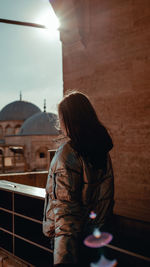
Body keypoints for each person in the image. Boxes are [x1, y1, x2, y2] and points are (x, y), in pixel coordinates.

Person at [43, 91, 114, 267]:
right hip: (95, 234)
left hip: (69, 242)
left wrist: (63, 260)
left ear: (69, 120)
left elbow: (66, 212)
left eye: (61, 118)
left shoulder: (67, 155)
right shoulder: (101, 150)